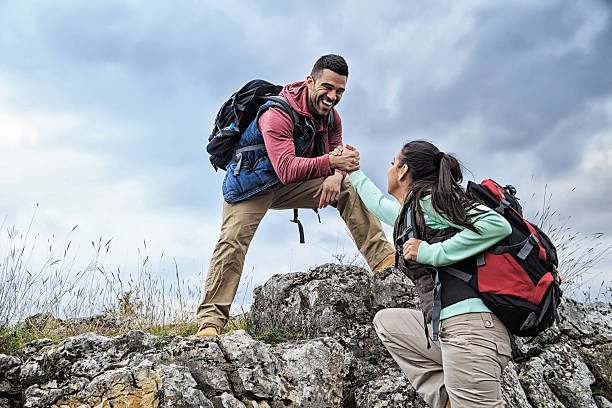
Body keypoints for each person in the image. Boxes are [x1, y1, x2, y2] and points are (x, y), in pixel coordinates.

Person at [196, 55, 396, 337]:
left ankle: (385, 262)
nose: (332, 96)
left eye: (340, 91)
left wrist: (335, 177)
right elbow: (287, 167)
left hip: (291, 183)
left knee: (348, 189)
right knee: (232, 243)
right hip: (251, 185)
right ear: (310, 81)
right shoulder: (276, 113)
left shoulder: (331, 117)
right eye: (327, 87)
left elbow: (337, 156)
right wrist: (332, 165)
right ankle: (210, 322)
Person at [332, 141, 513, 407]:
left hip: (471, 331)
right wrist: (353, 172)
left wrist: (431, 253)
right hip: (447, 329)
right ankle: (446, 399)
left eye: (393, 163)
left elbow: (496, 225)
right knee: (388, 323)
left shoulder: (432, 199)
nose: (390, 170)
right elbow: (380, 206)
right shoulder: (414, 211)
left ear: (403, 171)